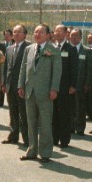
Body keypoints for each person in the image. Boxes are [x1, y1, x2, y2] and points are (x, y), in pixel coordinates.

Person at [18, 24, 62, 163]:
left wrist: (54, 89)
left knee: (45, 123)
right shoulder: (29, 49)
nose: (37, 34)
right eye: (35, 32)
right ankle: (32, 151)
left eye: (40, 32)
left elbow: (57, 71)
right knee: (31, 122)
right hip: (29, 91)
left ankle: (45, 152)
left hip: (46, 92)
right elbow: (23, 69)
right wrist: (21, 85)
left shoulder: (54, 50)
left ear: (48, 35)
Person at [51, 24, 78, 148]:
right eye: (56, 31)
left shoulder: (70, 49)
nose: (57, 33)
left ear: (66, 33)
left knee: (64, 115)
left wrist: (73, 85)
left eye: (60, 31)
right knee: (53, 114)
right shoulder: (50, 48)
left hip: (65, 88)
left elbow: (74, 69)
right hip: (52, 87)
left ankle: (64, 140)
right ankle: (54, 138)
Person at [3, 25, 29, 145]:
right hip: (10, 86)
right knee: (12, 112)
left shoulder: (29, 47)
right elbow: (6, 67)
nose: (16, 34)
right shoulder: (9, 48)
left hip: (22, 86)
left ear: (25, 34)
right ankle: (13, 136)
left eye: (19, 32)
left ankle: (27, 139)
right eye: (14, 32)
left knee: (24, 113)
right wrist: (4, 83)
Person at [70, 29, 92, 135]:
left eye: (76, 36)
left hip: (81, 84)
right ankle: (70, 126)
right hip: (69, 84)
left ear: (80, 37)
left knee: (80, 107)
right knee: (70, 107)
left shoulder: (86, 50)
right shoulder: (67, 49)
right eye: (72, 36)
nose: (73, 38)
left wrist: (87, 83)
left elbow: (89, 69)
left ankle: (80, 127)